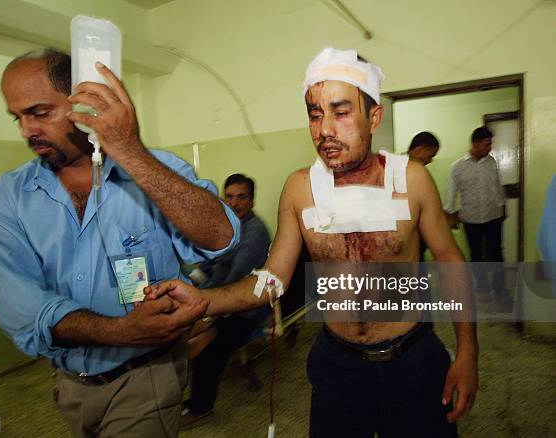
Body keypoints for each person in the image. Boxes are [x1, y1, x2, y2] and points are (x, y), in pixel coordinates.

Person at [147, 48, 478, 437]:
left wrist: (468, 351)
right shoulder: (300, 190)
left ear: (374, 117)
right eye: (315, 114)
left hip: (413, 360)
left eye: (341, 112)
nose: (324, 130)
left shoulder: (413, 181)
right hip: (339, 367)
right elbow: (274, 279)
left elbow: (450, 261)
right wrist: (206, 300)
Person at [0, 49, 240, 437]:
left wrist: (130, 151)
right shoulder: (9, 198)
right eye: (17, 117)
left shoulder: (158, 171)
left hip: (146, 378)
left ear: (85, 102)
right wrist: (121, 331)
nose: (26, 131)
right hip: (69, 385)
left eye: (39, 112)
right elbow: (20, 308)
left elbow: (221, 237)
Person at [182, 173, 271, 427]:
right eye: (229, 197)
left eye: (241, 197)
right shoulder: (229, 225)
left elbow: (236, 279)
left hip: (245, 308)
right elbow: (211, 263)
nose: (234, 203)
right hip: (220, 296)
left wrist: (207, 312)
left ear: (252, 201)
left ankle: (201, 408)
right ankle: (192, 399)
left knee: (209, 350)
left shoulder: (255, 232)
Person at [445, 127, 507, 302]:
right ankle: (482, 287)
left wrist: (502, 207)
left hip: (493, 215)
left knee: (496, 253)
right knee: (476, 255)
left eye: (491, 144)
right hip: (471, 218)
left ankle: (499, 287)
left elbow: (497, 187)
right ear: (476, 143)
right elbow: (451, 192)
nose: (490, 147)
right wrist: (449, 214)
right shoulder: (457, 167)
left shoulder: (492, 162)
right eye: (487, 144)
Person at [407, 131, 440, 261]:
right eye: (430, 155)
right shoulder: (397, 170)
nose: (430, 160)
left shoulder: (417, 171)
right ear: (420, 150)